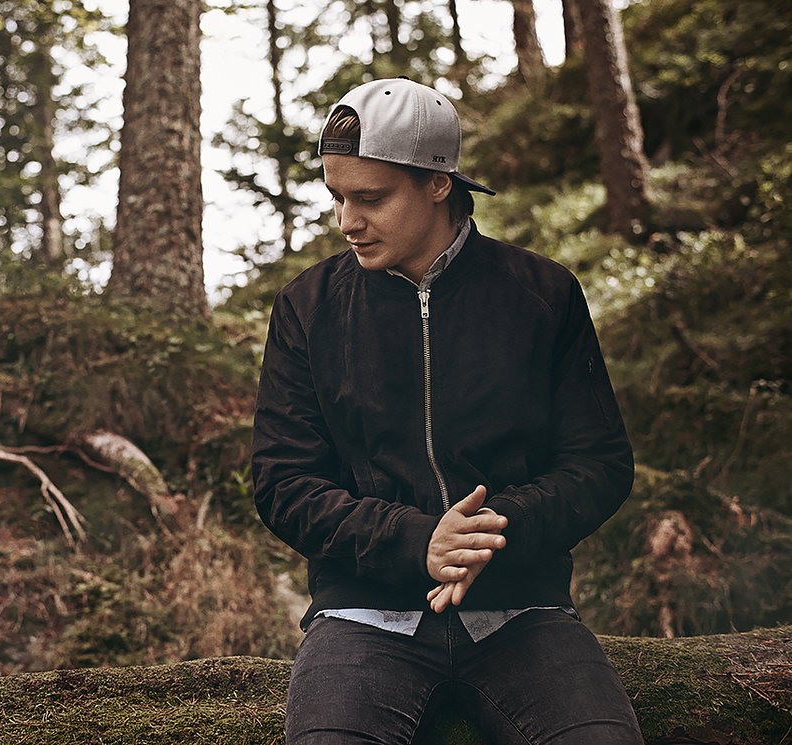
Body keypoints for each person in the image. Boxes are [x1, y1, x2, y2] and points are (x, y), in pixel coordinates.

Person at [251, 77, 643, 745]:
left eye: (370, 198)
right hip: (363, 617)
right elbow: (282, 482)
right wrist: (415, 540)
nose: (347, 221)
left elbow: (599, 463)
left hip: (523, 611)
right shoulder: (308, 306)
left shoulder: (543, 293)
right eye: (338, 197)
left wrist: (494, 531)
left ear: (438, 183)